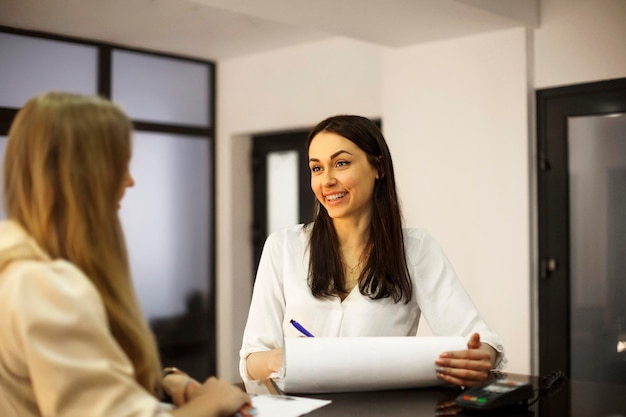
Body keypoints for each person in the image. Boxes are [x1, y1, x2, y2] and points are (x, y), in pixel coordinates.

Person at [0, 92, 252, 417]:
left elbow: (70, 378)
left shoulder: (18, 266)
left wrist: (163, 381)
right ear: (84, 175)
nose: (131, 181)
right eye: (120, 166)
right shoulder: (42, 285)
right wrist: (214, 401)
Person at [239, 115, 506, 388]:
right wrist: (283, 359)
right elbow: (251, 360)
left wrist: (480, 356)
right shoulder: (283, 246)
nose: (327, 180)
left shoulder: (415, 249)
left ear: (378, 167)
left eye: (341, 163)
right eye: (316, 168)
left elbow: (482, 340)